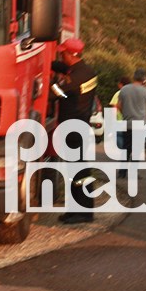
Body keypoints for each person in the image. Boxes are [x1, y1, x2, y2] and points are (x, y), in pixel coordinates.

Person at [55, 38, 98, 224]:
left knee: (79, 172)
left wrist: (47, 86)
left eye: (62, 53)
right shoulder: (85, 71)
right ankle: (75, 210)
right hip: (77, 127)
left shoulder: (78, 77)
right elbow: (63, 68)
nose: (60, 55)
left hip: (74, 128)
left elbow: (57, 92)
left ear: (71, 55)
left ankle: (84, 212)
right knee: (75, 172)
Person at [118, 68, 146, 161]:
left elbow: (119, 105)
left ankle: (122, 172)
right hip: (140, 123)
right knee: (137, 150)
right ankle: (133, 172)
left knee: (126, 148)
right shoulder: (145, 90)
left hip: (127, 122)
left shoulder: (124, 89)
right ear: (144, 79)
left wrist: (125, 113)